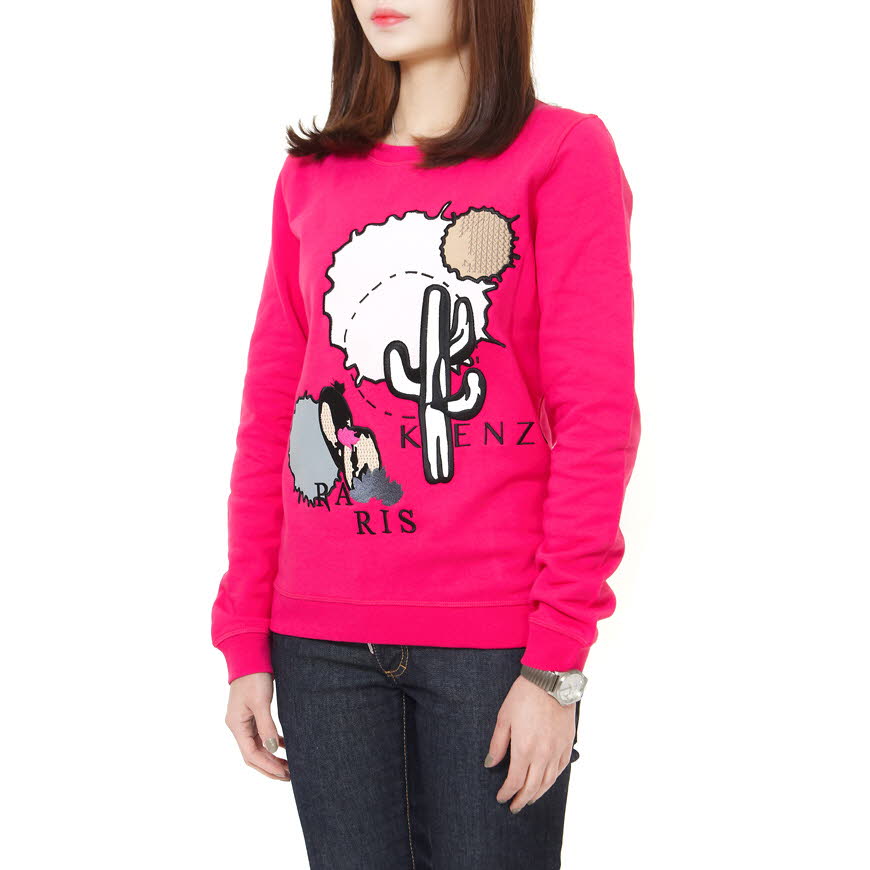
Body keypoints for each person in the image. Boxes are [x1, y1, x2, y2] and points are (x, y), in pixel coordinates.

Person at [211, 1, 640, 867]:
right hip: (318, 644)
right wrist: (243, 634)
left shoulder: (561, 153)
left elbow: (597, 417)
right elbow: (273, 416)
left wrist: (556, 664)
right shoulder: (312, 175)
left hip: (495, 647)